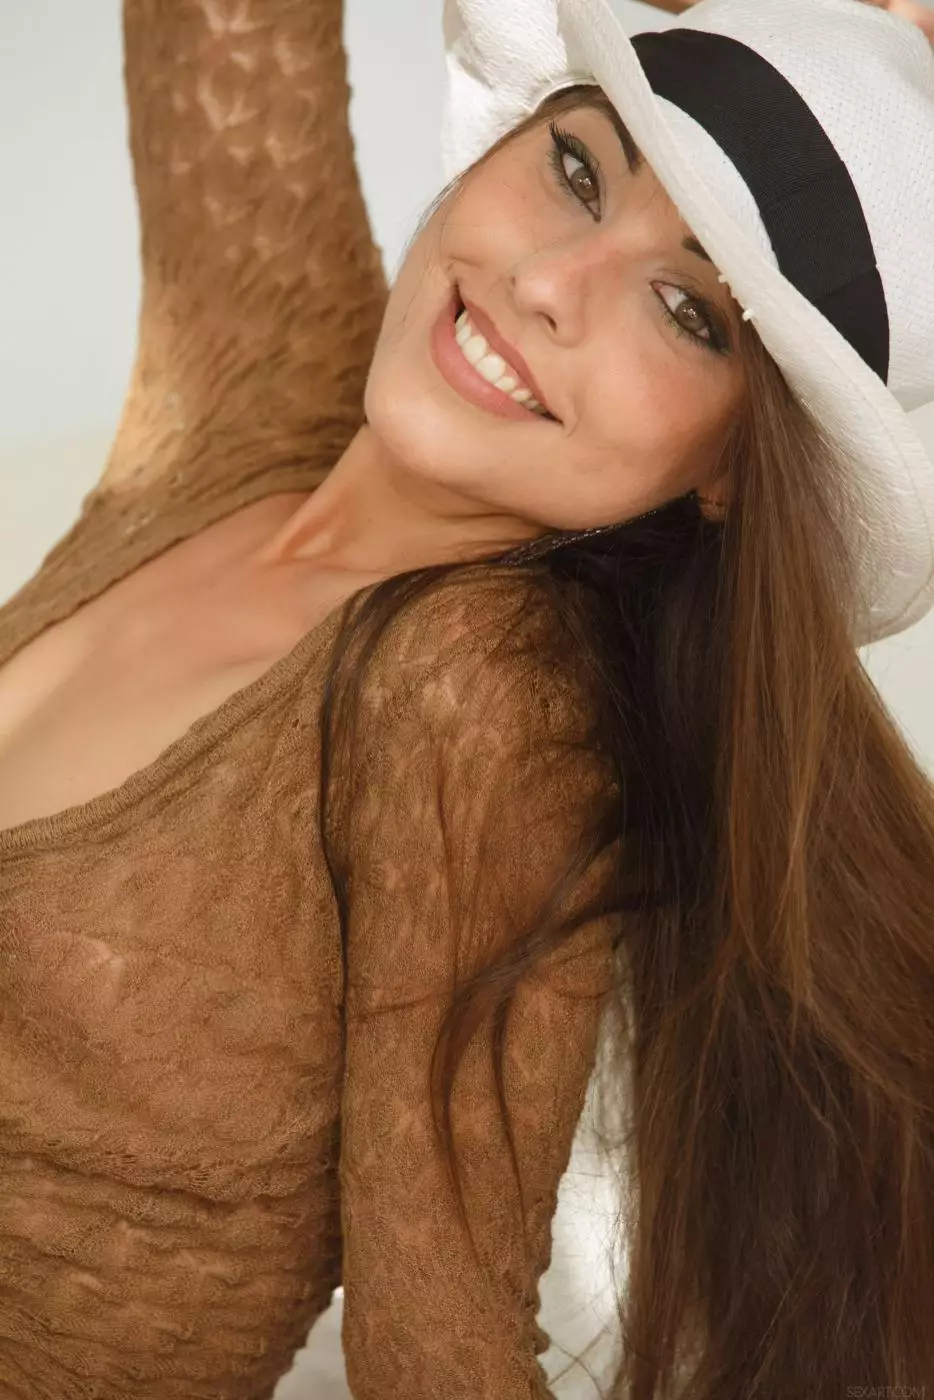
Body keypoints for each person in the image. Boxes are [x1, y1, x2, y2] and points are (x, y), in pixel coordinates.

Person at [0, 0, 932, 1395]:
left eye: (686, 311)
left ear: (733, 467)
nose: (551, 281)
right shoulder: (258, 409)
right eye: (579, 169)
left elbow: (437, 1353)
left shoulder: (481, 702)